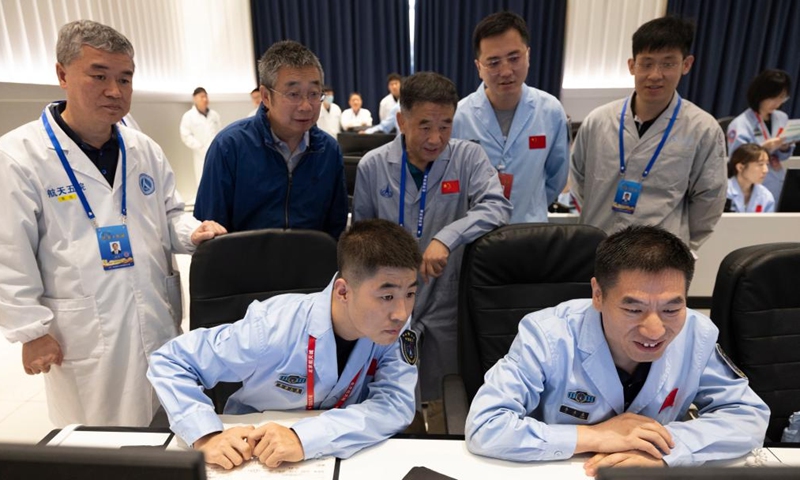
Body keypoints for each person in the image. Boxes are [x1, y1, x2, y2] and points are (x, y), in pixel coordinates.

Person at [0, 20, 226, 427]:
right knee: (98, 439)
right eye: (99, 75)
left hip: (155, 314)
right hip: (84, 329)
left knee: (167, 425)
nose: (115, 91)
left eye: (125, 78)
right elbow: (7, 253)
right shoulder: (20, 156)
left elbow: (170, 213)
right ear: (62, 74)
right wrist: (30, 331)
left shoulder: (144, 149)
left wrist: (190, 231)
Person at [466, 225, 769, 473]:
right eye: (633, 309)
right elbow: (486, 426)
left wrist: (665, 447)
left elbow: (748, 416)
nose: (655, 330)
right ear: (598, 294)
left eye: (670, 309)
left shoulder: (696, 334)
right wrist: (596, 435)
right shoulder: (546, 335)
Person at [148, 219, 421, 470]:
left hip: (338, 452)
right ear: (343, 291)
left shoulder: (394, 329)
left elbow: (395, 403)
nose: (401, 312)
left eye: (410, 293)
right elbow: (171, 360)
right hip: (252, 454)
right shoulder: (271, 328)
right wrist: (205, 436)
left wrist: (303, 438)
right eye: (386, 296)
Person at [353, 72, 512, 402]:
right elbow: (361, 238)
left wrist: (447, 237)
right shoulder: (373, 166)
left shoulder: (468, 158)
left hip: (445, 297)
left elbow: (496, 206)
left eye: (446, 126)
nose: (436, 138)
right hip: (388, 301)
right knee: (389, 394)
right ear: (401, 120)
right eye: (425, 125)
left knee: (446, 395)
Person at [571, 16, 727, 252]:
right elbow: (579, 181)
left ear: (686, 64)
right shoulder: (598, 121)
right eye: (646, 63)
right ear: (632, 65)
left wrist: (680, 247)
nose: (655, 75)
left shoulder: (703, 129)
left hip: (661, 256)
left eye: (667, 63)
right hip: (599, 246)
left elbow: (708, 202)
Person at [193, 40, 348, 238]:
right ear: (266, 96)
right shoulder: (229, 147)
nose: (306, 106)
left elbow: (336, 230)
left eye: (314, 94)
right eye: (294, 94)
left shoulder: (329, 151)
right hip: (244, 267)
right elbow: (210, 229)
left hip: (312, 267)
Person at [452, 11, 569, 223]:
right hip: (475, 234)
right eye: (494, 62)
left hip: (529, 231)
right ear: (479, 67)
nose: (506, 71)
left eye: (514, 58)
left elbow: (556, 178)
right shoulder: (460, 116)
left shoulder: (551, 111)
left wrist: (529, 206)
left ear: (528, 56)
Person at [727, 70, 794, 202]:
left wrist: (784, 148)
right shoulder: (740, 124)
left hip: (776, 178)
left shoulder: (782, 118)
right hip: (751, 184)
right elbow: (737, 159)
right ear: (761, 94)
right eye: (773, 97)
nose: (778, 103)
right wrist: (765, 148)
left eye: (782, 97)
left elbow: (784, 156)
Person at [180, 87, 222, 186]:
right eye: (202, 96)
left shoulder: (214, 115)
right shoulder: (188, 116)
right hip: (201, 154)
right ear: (194, 98)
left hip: (216, 152)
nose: (205, 99)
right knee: (203, 181)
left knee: (218, 180)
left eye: (206, 96)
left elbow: (220, 132)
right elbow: (185, 135)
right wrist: (200, 147)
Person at [726, 144, 774, 213]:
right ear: (740, 167)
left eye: (767, 164)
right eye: (760, 164)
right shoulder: (722, 192)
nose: (765, 170)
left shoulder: (766, 196)